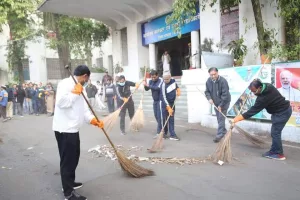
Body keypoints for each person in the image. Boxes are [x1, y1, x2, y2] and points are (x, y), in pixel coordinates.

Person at [53, 65, 104, 200]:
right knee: (67, 160)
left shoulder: (82, 89)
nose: (88, 80)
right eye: (88, 77)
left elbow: (85, 109)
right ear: (85, 76)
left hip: (73, 129)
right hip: (64, 129)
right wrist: (74, 93)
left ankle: (70, 182)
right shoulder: (65, 84)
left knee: (74, 157)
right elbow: (61, 103)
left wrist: (93, 120)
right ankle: (68, 193)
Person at [232, 79, 292, 161]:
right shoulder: (268, 86)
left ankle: (278, 154)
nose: (254, 93)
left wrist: (237, 119)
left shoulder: (263, 98)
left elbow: (252, 111)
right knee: (275, 132)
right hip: (280, 111)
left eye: (254, 91)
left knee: (275, 132)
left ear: (260, 87)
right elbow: (259, 84)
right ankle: (273, 150)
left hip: (282, 112)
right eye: (252, 91)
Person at [205, 67, 231, 143]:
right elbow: (207, 92)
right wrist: (209, 98)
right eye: (211, 75)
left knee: (221, 118)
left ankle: (219, 135)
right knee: (219, 119)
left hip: (224, 102)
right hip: (215, 103)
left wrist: (221, 105)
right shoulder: (209, 81)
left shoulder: (223, 81)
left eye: (214, 74)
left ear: (217, 72)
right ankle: (224, 131)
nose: (213, 76)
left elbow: (225, 95)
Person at [159, 72, 180, 140]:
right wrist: (168, 107)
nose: (166, 80)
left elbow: (176, 86)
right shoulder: (163, 85)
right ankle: (164, 133)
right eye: (164, 79)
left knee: (171, 118)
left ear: (170, 77)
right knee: (164, 119)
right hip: (165, 104)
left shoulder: (173, 81)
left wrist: (178, 90)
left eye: (167, 79)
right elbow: (163, 97)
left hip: (172, 103)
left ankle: (172, 134)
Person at [144, 70, 163, 138]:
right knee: (156, 115)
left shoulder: (161, 80)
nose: (153, 79)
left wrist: (148, 85)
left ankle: (159, 132)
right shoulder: (150, 81)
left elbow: (157, 88)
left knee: (159, 116)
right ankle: (162, 129)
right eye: (152, 77)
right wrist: (145, 84)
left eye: (154, 77)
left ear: (157, 75)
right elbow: (147, 89)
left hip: (160, 101)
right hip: (155, 101)